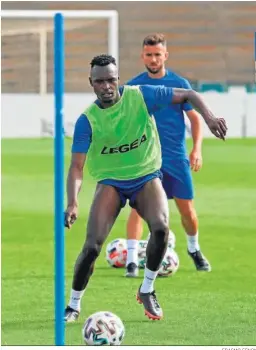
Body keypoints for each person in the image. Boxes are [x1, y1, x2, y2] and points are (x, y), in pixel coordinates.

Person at [64, 54, 227, 322]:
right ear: (91, 82)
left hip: (145, 175)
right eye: (100, 81)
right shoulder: (88, 120)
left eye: (111, 80)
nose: (107, 86)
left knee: (162, 228)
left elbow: (188, 94)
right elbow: (76, 167)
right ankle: (73, 304)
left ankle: (147, 289)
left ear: (118, 79)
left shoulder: (140, 96)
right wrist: (72, 202)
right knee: (92, 246)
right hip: (111, 181)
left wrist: (209, 118)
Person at [125, 33, 214, 277]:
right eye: (149, 55)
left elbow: (195, 119)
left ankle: (194, 249)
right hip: (145, 160)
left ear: (165, 55)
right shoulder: (133, 87)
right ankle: (132, 260)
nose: (153, 59)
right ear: (142, 56)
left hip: (175, 158)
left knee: (187, 210)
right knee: (137, 209)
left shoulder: (179, 83)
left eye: (157, 54)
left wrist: (196, 149)